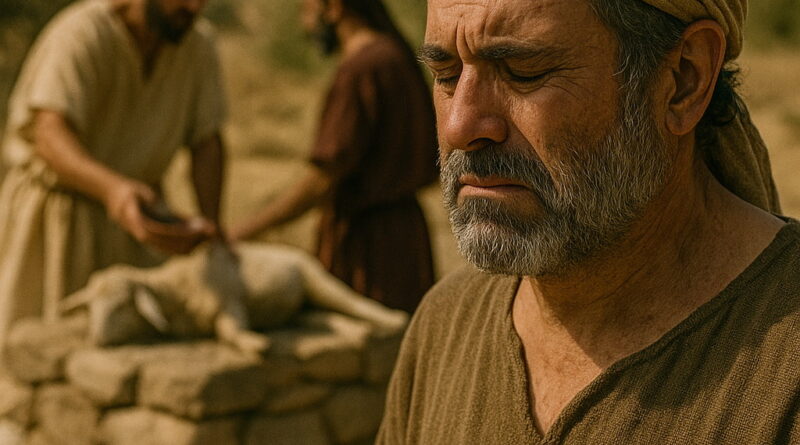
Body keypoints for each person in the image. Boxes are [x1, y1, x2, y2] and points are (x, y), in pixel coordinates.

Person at [378, 0, 800, 443]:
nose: (459, 126)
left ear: (683, 80)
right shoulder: (445, 328)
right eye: (446, 76)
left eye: (524, 71)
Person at [0, 0, 227, 350]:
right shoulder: (81, 33)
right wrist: (113, 190)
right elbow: (50, 133)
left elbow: (207, 141)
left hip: (137, 223)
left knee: (126, 351)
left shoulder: (197, 45)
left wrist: (211, 225)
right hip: (57, 220)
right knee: (31, 350)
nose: (193, 7)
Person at [230, 0, 438, 313]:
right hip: (405, 237)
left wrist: (244, 233)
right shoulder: (394, 55)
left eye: (307, 8)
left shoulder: (361, 69)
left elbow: (322, 179)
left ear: (334, 7)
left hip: (367, 251)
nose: (305, 24)